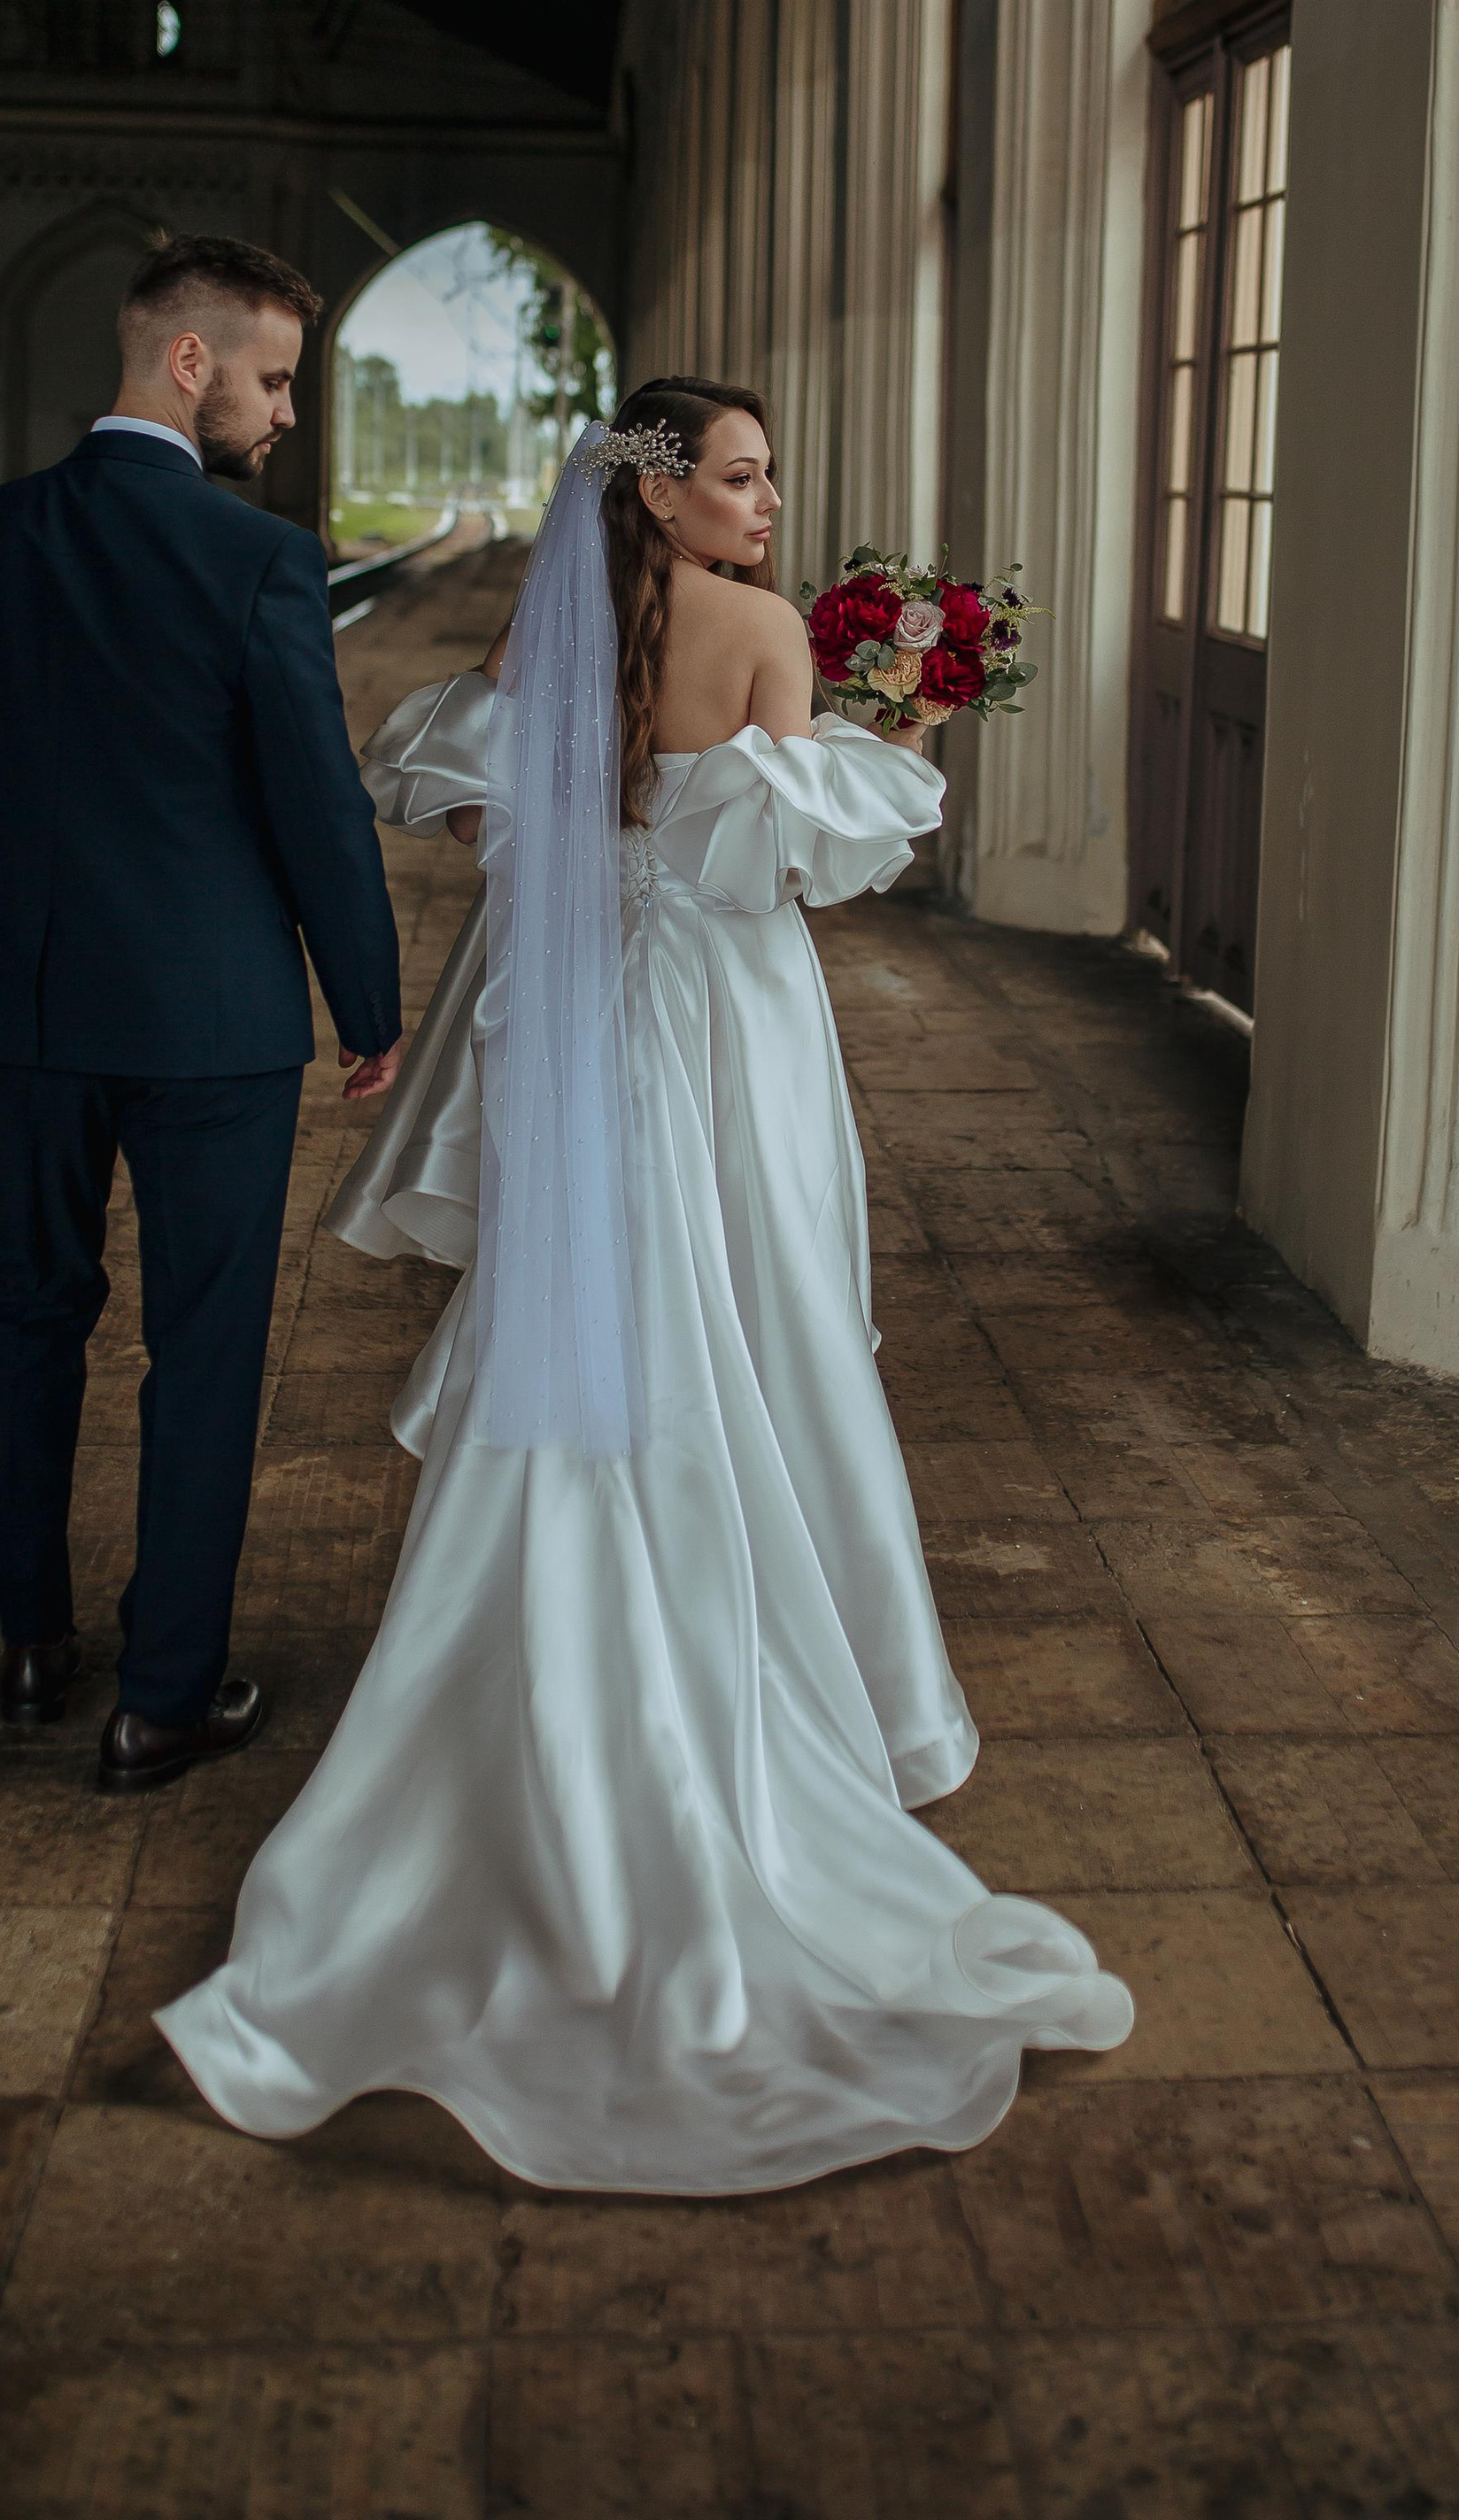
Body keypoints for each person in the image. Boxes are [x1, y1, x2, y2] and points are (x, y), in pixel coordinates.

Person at [157, 376, 1132, 2193]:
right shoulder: (759, 635)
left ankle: (522, 1636)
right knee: (758, 1314)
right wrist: (906, 716)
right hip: (722, 1027)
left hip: (578, 1019)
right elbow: (809, 861)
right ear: (666, 493)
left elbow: (487, 836)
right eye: (743, 477)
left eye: (770, 476)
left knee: (590, 1313)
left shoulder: (562, 628)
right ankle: (806, 1665)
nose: (770, 504)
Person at [0, 235, 404, 1793]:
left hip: (25, 1014)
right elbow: (315, 812)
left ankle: (33, 1645)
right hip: (213, 1026)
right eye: (274, 379)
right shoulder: (259, 565)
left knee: (27, 1310)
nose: (285, 416)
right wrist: (368, 1005)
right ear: (191, 366)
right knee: (204, 1346)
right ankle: (161, 1695)